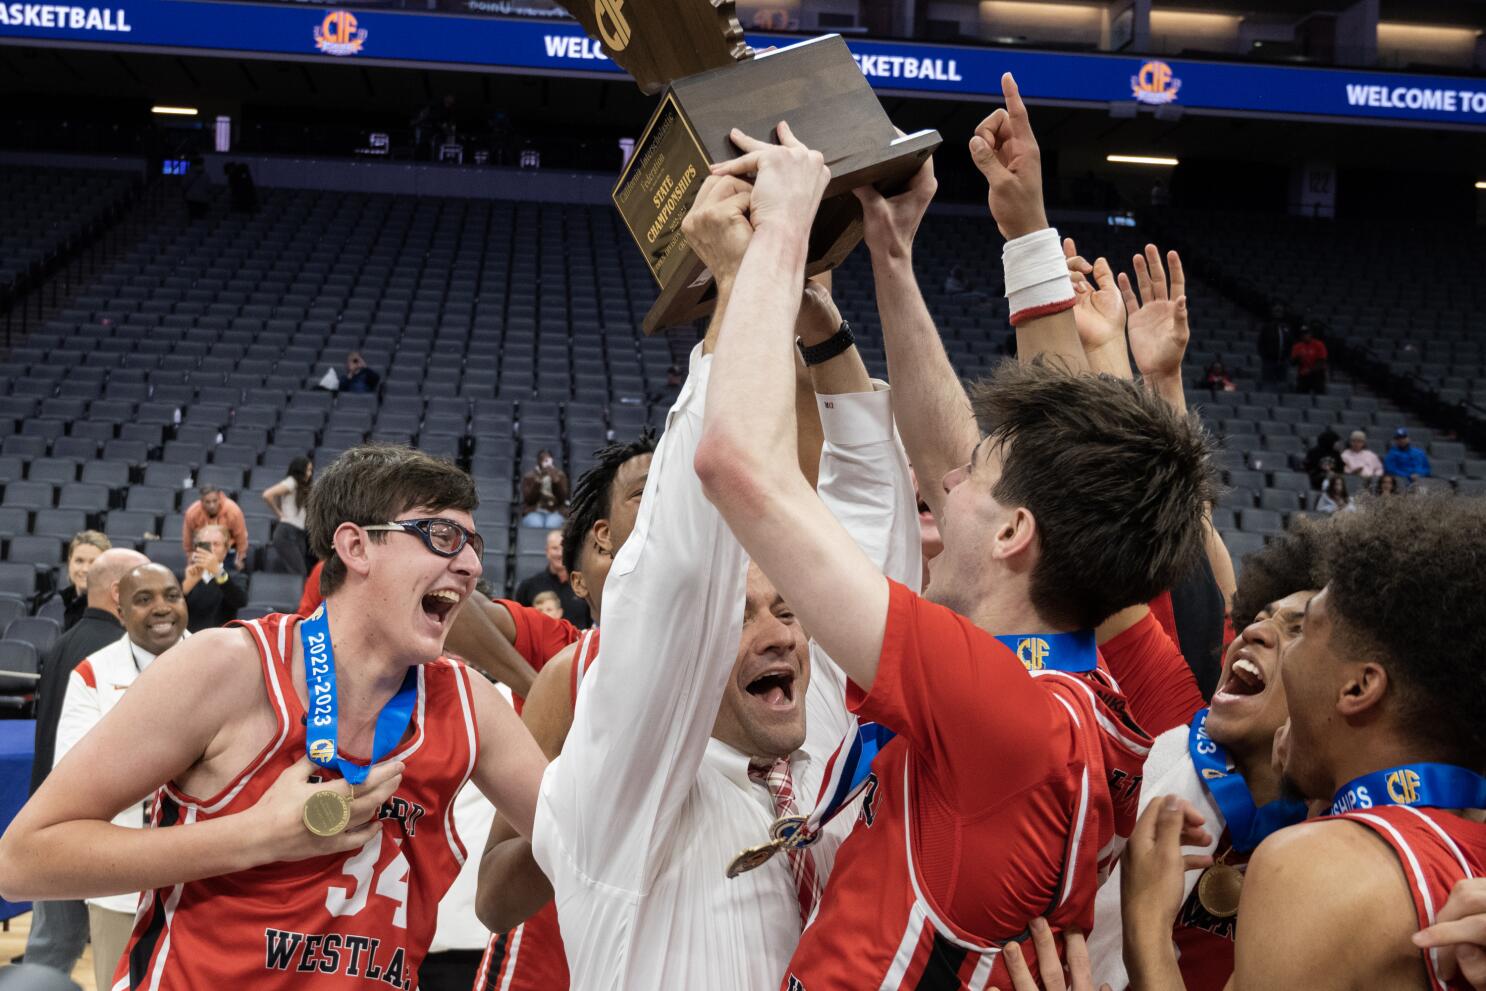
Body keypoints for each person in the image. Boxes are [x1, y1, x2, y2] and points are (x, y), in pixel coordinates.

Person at [695, 74, 1215, 986]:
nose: (945, 485)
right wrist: (891, 261)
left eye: (970, 481)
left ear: (1016, 533)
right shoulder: (1073, 700)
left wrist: (770, 247)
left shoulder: (1003, 708)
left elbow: (739, 468)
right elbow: (990, 455)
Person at [517, 178, 921, 989]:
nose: (778, 630)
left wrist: (817, 320)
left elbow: (875, 538)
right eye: (737, 616)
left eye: (785, 609)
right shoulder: (624, 782)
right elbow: (675, 575)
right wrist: (741, 292)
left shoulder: (818, 744)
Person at [0, 444, 547, 989]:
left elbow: (579, 843)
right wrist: (257, 835)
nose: (473, 565)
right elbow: (22, 859)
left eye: (474, 544)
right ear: (356, 545)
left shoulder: (468, 702)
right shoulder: (225, 668)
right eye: (443, 536)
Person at [1122, 495, 1486, 991]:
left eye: (1307, 628)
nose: (1255, 632)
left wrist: (1144, 930)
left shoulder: (1310, 865)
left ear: (1358, 688)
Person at [1089, 525, 1330, 990]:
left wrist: (1146, 929)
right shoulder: (1165, 722)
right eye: (1257, 618)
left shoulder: (1352, 860)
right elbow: (1085, 542)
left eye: (1297, 631)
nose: (1256, 632)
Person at [472, 433, 655, 991]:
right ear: (581, 576)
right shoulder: (563, 648)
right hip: (548, 932)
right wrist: (556, 689)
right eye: (649, 493)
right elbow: (452, 610)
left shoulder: (736, 648)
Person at [55, 563, 188, 989]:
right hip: (120, 879)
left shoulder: (225, 658)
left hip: (204, 875)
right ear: (120, 610)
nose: (162, 608)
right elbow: (71, 776)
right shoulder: (93, 674)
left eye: (172, 595)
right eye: (144, 599)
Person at [23, 547, 147, 978]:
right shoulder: (112, 654)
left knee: (50, 949)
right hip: (86, 829)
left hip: (49, 816)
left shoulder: (62, 641)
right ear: (118, 593)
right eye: (140, 586)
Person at [512, 530, 589, 629]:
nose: (560, 553)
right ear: (547, 552)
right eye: (554, 548)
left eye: (563, 548)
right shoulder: (528, 586)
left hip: (578, 642)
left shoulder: (584, 585)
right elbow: (519, 622)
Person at [182, 524, 248, 632]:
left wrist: (218, 572)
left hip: (219, 639)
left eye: (216, 544)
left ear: (226, 549)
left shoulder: (236, 577)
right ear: (197, 548)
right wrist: (185, 588)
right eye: (206, 545)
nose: (211, 549)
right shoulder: (185, 575)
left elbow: (240, 601)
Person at [262, 456, 313, 577]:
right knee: (300, 573)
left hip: (298, 533)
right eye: (308, 470)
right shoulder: (292, 482)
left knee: (300, 572)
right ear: (300, 470)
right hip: (287, 532)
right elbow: (267, 495)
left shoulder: (300, 486)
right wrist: (279, 514)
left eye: (311, 470)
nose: (310, 474)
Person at [180, 484, 248, 567]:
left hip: (228, 552)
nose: (212, 505)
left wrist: (240, 557)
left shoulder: (233, 511)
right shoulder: (192, 513)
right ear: (201, 501)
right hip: (203, 551)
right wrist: (190, 555)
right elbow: (188, 537)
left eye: (215, 501)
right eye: (207, 502)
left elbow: (241, 536)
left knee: (226, 577)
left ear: (219, 498)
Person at [58, 530, 109, 631]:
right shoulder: (57, 605)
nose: (85, 569)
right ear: (69, 562)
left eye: (93, 562)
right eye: (79, 561)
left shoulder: (113, 611)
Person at [519, 450, 569, 528]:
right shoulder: (529, 477)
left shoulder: (560, 476)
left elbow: (562, 499)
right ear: (538, 461)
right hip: (534, 511)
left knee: (552, 525)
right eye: (543, 460)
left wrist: (555, 480)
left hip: (555, 511)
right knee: (536, 524)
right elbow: (529, 500)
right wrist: (538, 481)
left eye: (548, 460)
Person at [1256, 304, 1292, 387]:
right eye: (1276, 311)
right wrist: (1265, 357)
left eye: (1280, 311)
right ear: (1272, 313)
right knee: (1268, 386)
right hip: (1269, 362)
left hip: (1283, 362)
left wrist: (1287, 358)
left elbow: (1290, 343)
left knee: (1282, 386)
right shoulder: (1266, 327)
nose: (1278, 313)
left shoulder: (1286, 327)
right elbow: (1260, 344)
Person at [1290, 324, 1328, 395]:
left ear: (1311, 334)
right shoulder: (1297, 346)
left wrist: (1310, 370)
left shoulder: (1319, 345)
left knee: (1320, 394)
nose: (1305, 335)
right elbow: (1293, 362)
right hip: (1303, 375)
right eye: (1303, 333)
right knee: (1300, 396)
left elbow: (1321, 362)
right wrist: (1298, 358)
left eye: (1307, 333)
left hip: (1317, 375)